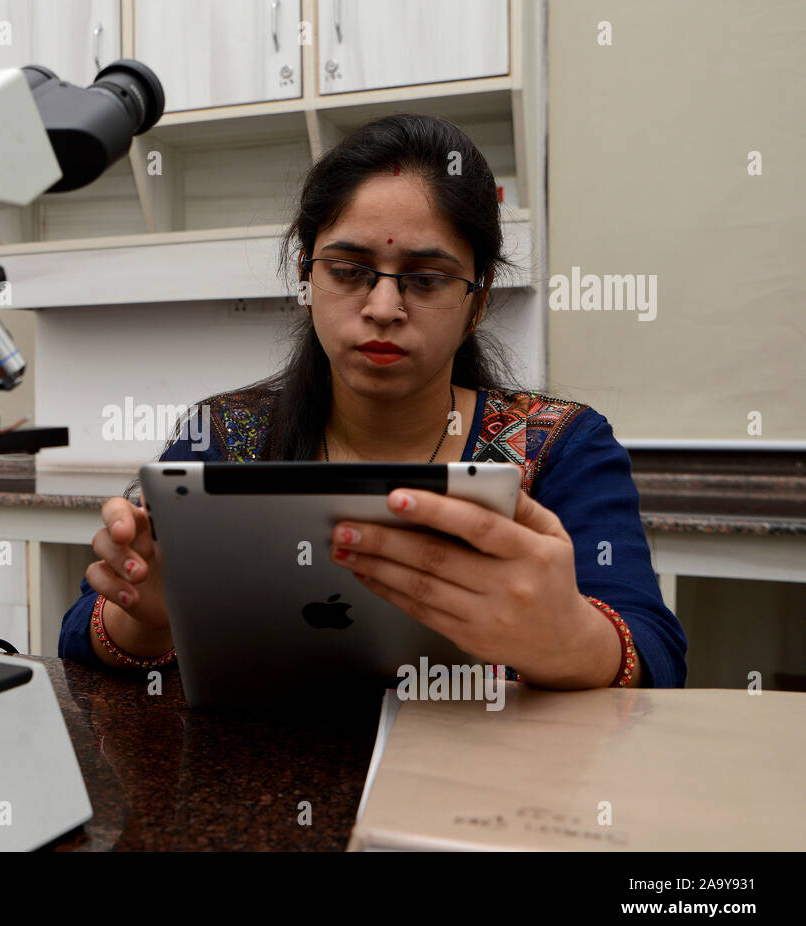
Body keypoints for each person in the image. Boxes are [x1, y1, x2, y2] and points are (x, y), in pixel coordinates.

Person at [58, 113, 686, 689]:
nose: (384, 308)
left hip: (472, 788)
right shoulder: (227, 435)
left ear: (478, 297)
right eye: (348, 269)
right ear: (307, 276)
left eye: (427, 278)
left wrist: (570, 638)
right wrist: (149, 614)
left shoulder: (561, 446)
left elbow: (656, 651)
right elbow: (82, 629)